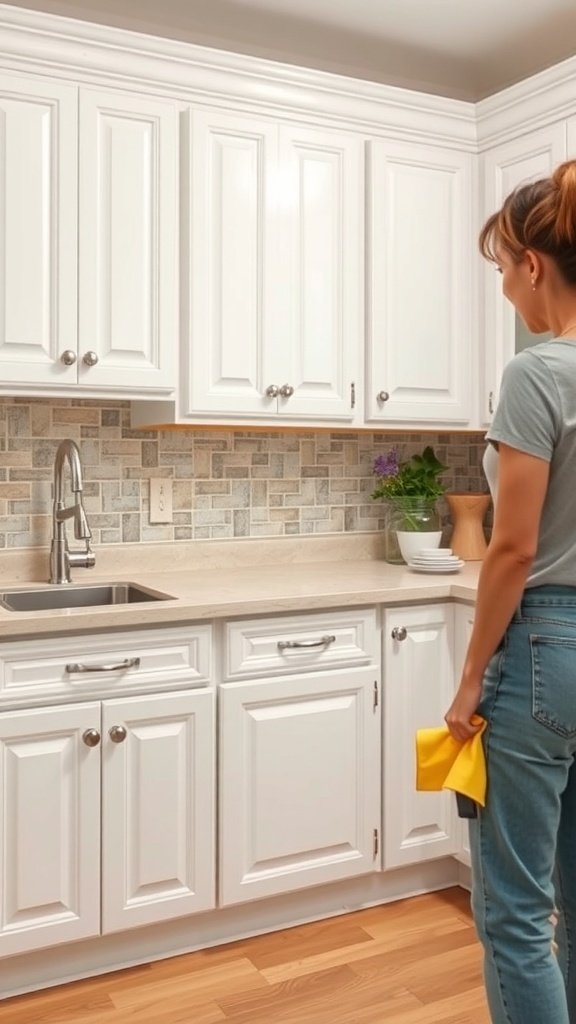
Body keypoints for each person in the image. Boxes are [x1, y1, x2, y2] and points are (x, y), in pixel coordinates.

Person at [445, 159, 576, 1024]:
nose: (502, 288)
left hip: (541, 652)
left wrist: (467, 683)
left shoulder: (538, 373)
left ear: (533, 263)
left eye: (500, 268)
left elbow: (512, 548)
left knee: (518, 913)